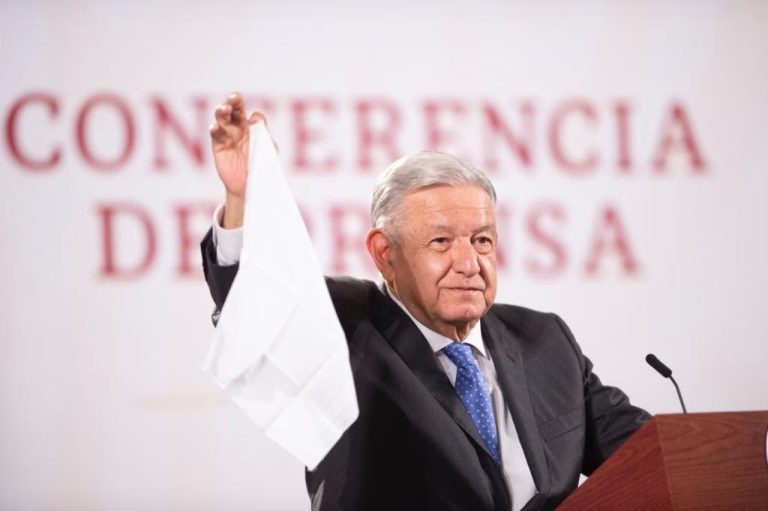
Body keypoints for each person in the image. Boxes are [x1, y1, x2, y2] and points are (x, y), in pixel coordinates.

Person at [201, 92, 650, 511]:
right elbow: (254, 304)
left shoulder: (544, 340)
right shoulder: (347, 325)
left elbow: (650, 453)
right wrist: (243, 201)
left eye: (482, 240)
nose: (469, 263)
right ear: (385, 254)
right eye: (440, 242)